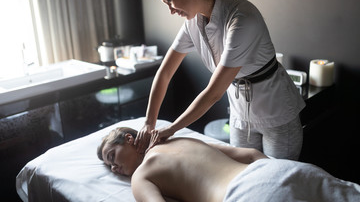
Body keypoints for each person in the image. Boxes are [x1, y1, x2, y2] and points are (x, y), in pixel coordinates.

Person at [134, 0, 306, 160]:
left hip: (276, 113)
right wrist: (149, 122)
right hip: (240, 114)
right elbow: (165, 73)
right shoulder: (193, 23)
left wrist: (172, 129)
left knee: (277, 182)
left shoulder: (241, 17)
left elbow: (214, 93)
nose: (171, 10)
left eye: (170, 0)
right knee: (241, 177)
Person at [98, 127, 360, 202]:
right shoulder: (180, 138)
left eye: (112, 157)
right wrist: (272, 173)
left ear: (130, 139)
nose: (113, 168)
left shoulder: (141, 176)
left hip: (248, 194)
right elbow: (248, 153)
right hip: (281, 171)